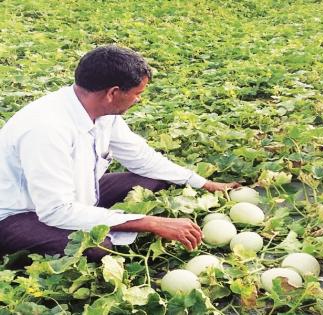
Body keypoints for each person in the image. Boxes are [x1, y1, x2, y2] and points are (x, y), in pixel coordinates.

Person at [0, 45, 240, 263]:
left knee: (152, 179)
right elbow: (56, 210)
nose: (138, 99)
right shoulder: (46, 129)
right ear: (112, 93)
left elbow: (141, 157)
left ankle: (107, 221)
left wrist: (205, 183)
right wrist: (151, 223)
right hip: (21, 214)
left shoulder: (102, 112)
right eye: (137, 93)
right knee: (96, 247)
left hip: (78, 196)